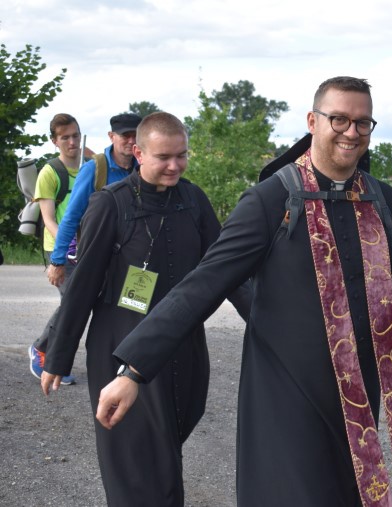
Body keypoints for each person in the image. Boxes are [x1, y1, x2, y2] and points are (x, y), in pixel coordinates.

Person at [93, 77, 392, 506]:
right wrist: (134, 371)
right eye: (340, 119)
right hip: (286, 396)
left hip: (358, 397)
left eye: (362, 123)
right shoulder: (271, 200)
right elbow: (203, 285)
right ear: (313, 121)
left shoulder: (380, 199)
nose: (352, 132)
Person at [40, 112, 253, 506]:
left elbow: (227, 270)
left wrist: (265, 320)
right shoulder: (109, 205)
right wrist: (59, 354)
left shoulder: (194, 200)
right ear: (138, 152)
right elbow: (82, 286)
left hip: (182, 346)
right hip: (120, 344)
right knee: (137, 461)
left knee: (167, 448)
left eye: (182, 156)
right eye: (163, 157)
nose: (174, 165)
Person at [45, 113, 141, 288]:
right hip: (100, 259)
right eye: (125, 135)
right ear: (112, 137)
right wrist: (58, 261)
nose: (131, 140)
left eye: (136, 135)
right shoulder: (94, 170)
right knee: (75, 310)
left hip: (136, 259)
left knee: (136, 307)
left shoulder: (145, 168)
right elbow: (71, 217)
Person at [28, 114, 82, 385]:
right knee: (73, 302)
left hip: (87, 247)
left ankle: (53, 356)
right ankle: (42, 351)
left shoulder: (90, 163)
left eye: (75, 135)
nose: (72, 142)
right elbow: (49, 219)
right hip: (59, 248)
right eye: (65, 138)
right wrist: (65, 249)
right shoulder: (50, 172)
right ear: (54, 141)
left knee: (82, 302)